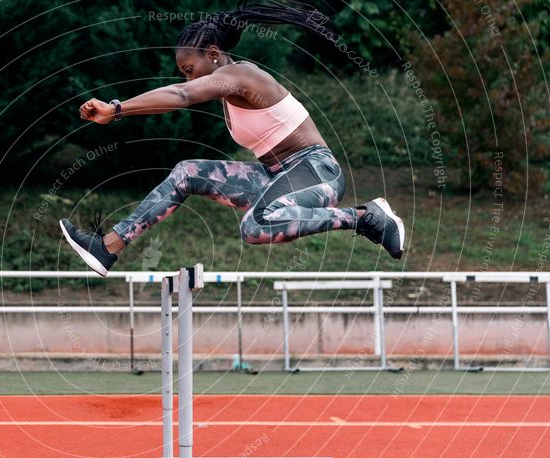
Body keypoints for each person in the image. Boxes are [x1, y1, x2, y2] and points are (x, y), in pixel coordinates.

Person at [60, 0, 405, 277]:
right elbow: (186, 91)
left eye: (189, 69)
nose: (189, 78)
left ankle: (366, 218)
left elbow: (182, 95)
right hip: (278, 175)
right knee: (186, 173)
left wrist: (116, 109)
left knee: (255, 225)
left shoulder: (240, 75)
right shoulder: (229, 88)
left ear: (213, 53)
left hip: (317, 172)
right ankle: (107, 247)